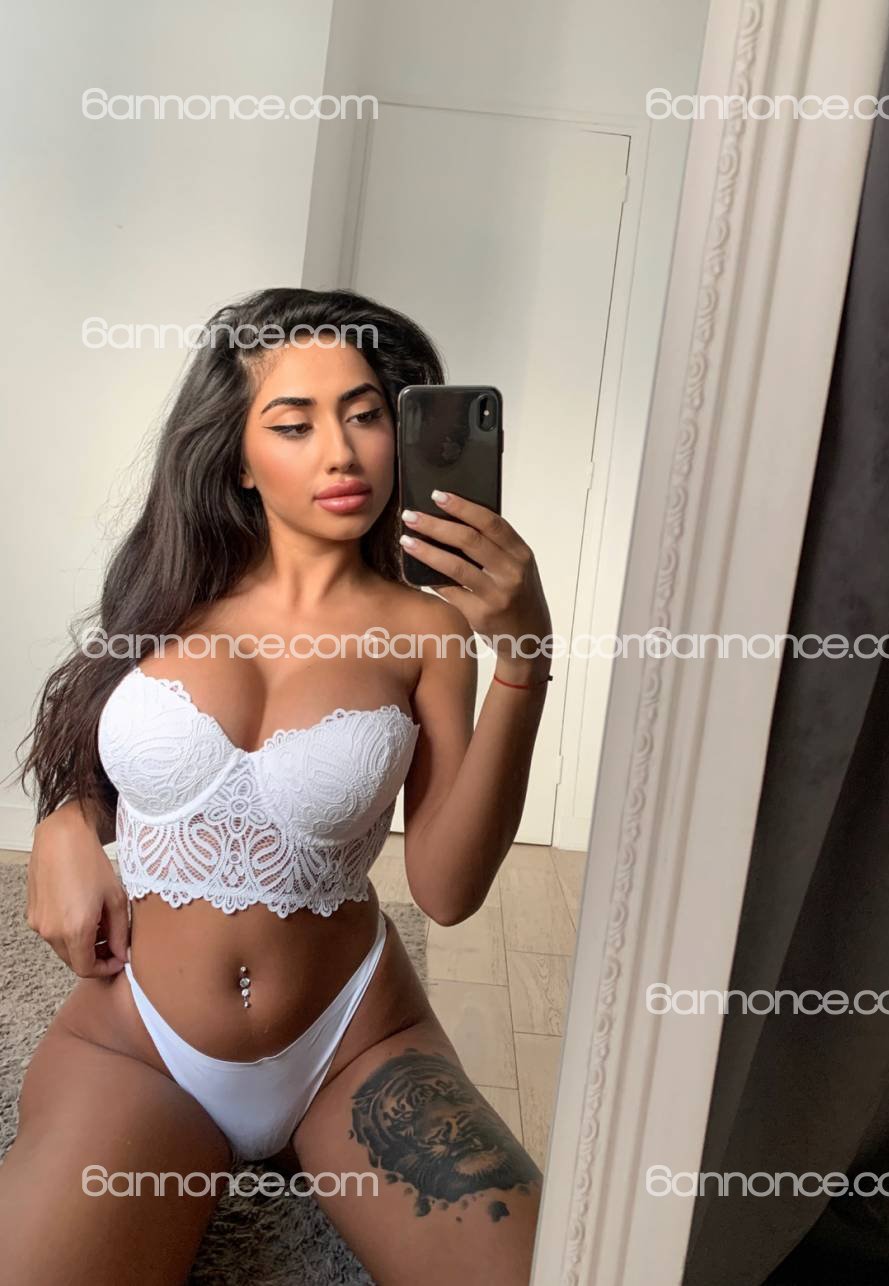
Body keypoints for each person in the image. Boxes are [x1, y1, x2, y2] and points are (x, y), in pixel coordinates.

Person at [0, 287, 552, 1285]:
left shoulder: (426, 632)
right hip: (140, 1045)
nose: (340, 453)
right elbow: (93, 738)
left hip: (355, 1044)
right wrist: (64, 820)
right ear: (240, 458)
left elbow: (445, 889)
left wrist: (524, 661)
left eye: (365, 414)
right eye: (294, 424)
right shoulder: (167, 596)